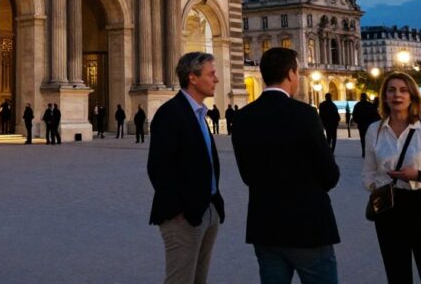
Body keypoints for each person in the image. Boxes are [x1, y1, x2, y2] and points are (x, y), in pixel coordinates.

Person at [232, 48, 340, 284]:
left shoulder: (243, 118)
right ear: (291, 74)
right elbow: (329, 174)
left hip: (266, 225)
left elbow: (247, 175)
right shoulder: (305, 114)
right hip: (308, 226)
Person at [362, 72, 421, 284]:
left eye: (403, 90)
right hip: (389, 206)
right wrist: (379, 185)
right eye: (391, 90)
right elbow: (368, 171)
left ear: (412, 96)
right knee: (397, 273)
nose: (397, 95)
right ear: (384, 97)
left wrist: (418, 175)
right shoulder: (375, 130)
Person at [147, 52, 224, 284]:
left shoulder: (199, 113)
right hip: (183, 217)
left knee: (198, 280)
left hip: (207, 210)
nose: (216, 79)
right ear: (192, 78)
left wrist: (214, 206)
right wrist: (179, 213)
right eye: (211, 74)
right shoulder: (170, 113)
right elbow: (158, 169)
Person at [351, 93, 379, 158]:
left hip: (361, 125)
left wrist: (358, 122)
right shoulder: (370, 105)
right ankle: (368, 152)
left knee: (363, 139)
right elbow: (375, 115)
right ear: (366, 97)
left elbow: (354, 115)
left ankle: (364, 151)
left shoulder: (357, 105)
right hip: (369, 125)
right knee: (369, 139)